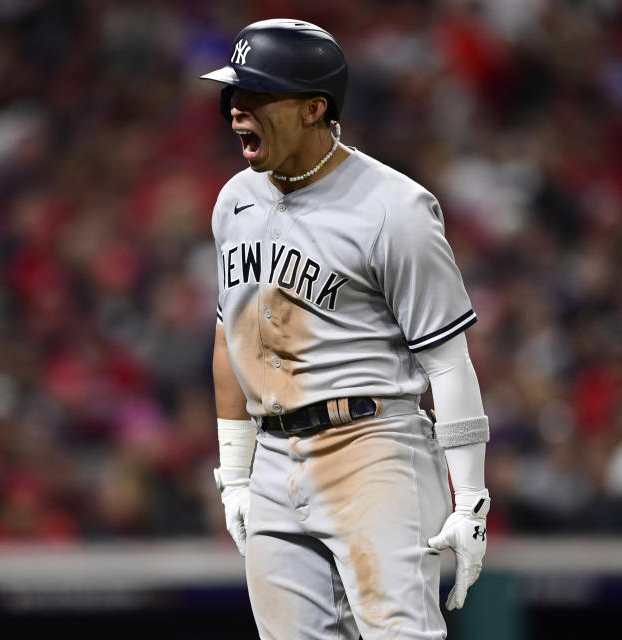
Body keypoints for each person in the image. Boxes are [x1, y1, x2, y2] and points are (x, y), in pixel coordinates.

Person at [202, 19, 491, 639]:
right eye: (233, 96)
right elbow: (231, 338)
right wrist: (235, 472)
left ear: (314, 108)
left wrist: (469, 499)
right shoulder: (234, 200)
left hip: (373, 449)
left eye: (255, 97)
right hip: (275, 457)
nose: (236, 110)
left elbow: (448, 361)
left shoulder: (395, 209)